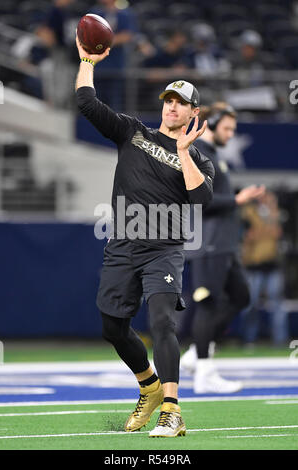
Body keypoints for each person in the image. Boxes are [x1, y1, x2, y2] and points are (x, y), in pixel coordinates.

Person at [75, 37, 214, 437]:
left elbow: (199, 197)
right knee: (112, 327)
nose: (172, 106)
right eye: (168, 99)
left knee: (162, 321)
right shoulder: (133, 133)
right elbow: (87, 102)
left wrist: (184, 151)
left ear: (193, 112)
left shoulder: (199, 158)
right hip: (122, 245)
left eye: (181, 102)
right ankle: (150, 387)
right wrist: (87, 60)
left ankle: (172, 410)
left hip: (163, 250)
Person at [180, 102, 266, 393]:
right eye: (227, 128)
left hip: (225, 244)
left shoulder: (215, 154)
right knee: (207, 304)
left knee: (241, 296)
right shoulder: (198, 153)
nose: (230, 134)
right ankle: (204, 369)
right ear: (212, 123)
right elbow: (198, 201)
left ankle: (195, 353)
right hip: (209, 243)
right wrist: (238, 200)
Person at [240, 191, 288, 346]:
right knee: (250, 305)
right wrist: (263, 231)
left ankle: (280, 340)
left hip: (272, 265)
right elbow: (249, 236)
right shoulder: (247, 212)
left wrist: (271, 209)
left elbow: (277, 232)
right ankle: (249, 340)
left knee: (278, 305)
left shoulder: (275, 213)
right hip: (254, 265)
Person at [91, 0, 138, 111]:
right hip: (96, 67)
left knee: (114, 105)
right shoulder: (94, 12)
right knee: (95, 104)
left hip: (115, 68)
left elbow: (127, 35)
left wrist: (104, 42)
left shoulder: (125, 14)